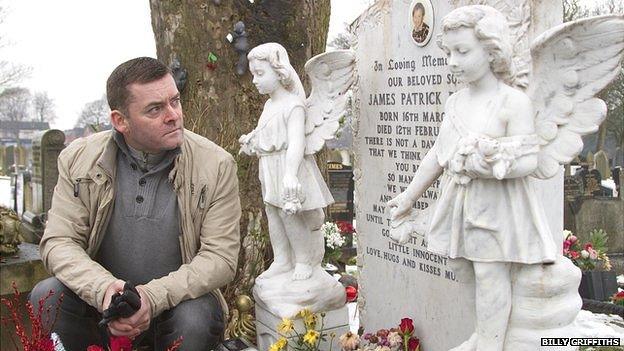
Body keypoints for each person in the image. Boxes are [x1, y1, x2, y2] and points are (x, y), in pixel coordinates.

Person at [29, 57, 241, 350]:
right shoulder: (79, 159)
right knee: (48, 295)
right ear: (120, 120)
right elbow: (58, 242)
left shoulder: (215, 165)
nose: (173, 115)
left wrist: (152, 298)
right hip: (99, 310)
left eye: (175, 101)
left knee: (196, 316)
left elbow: (221, 258)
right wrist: (103, 290)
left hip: (174, 307)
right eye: (155, 109)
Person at [389, 6, 556, 351]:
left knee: (489, 274)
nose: (452, 60)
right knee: (463, 268)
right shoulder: (455, 103)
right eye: (448, 51)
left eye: (462, 51)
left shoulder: (512, 102)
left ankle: (492, 343)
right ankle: (483, 332)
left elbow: (528, 159)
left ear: (491, 50)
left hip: (498, 207)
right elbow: (437, 155)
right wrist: (408, 197)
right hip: (462, 203)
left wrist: (488, 159)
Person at [239, 43, 333, 281]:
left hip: (289, 167)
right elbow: (268, 133)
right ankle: (282, 260)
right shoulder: (270, 105)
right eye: (253, 75)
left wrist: (290, 174)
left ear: (279, 72)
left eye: (260, 74)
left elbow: (296, 143)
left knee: (290, 215)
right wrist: (252, 141)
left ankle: (303, 260)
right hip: (269, 166)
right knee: (272, 211)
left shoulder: (294, 105)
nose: (255, 81)